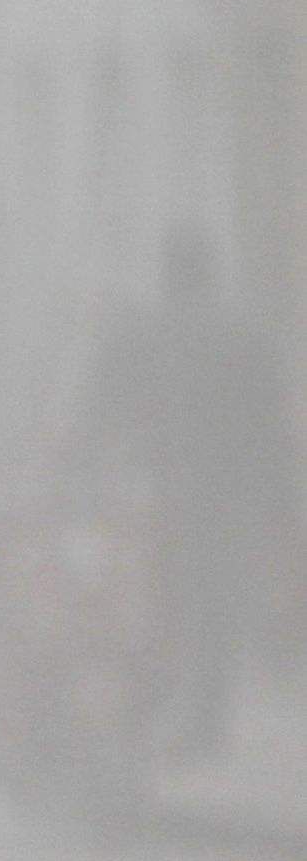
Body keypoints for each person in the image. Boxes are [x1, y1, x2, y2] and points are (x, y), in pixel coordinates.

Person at [74, 221, 303, 757]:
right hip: (226, 497)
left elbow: (101, 413)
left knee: (162, 606)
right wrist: (281, 507)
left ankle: (156, 717)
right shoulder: (245, 339)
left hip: (160, 494)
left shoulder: (144, 336)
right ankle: (203, 724)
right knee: (213, 610)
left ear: (168, 275)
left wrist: (79, 471)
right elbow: (271, 429)